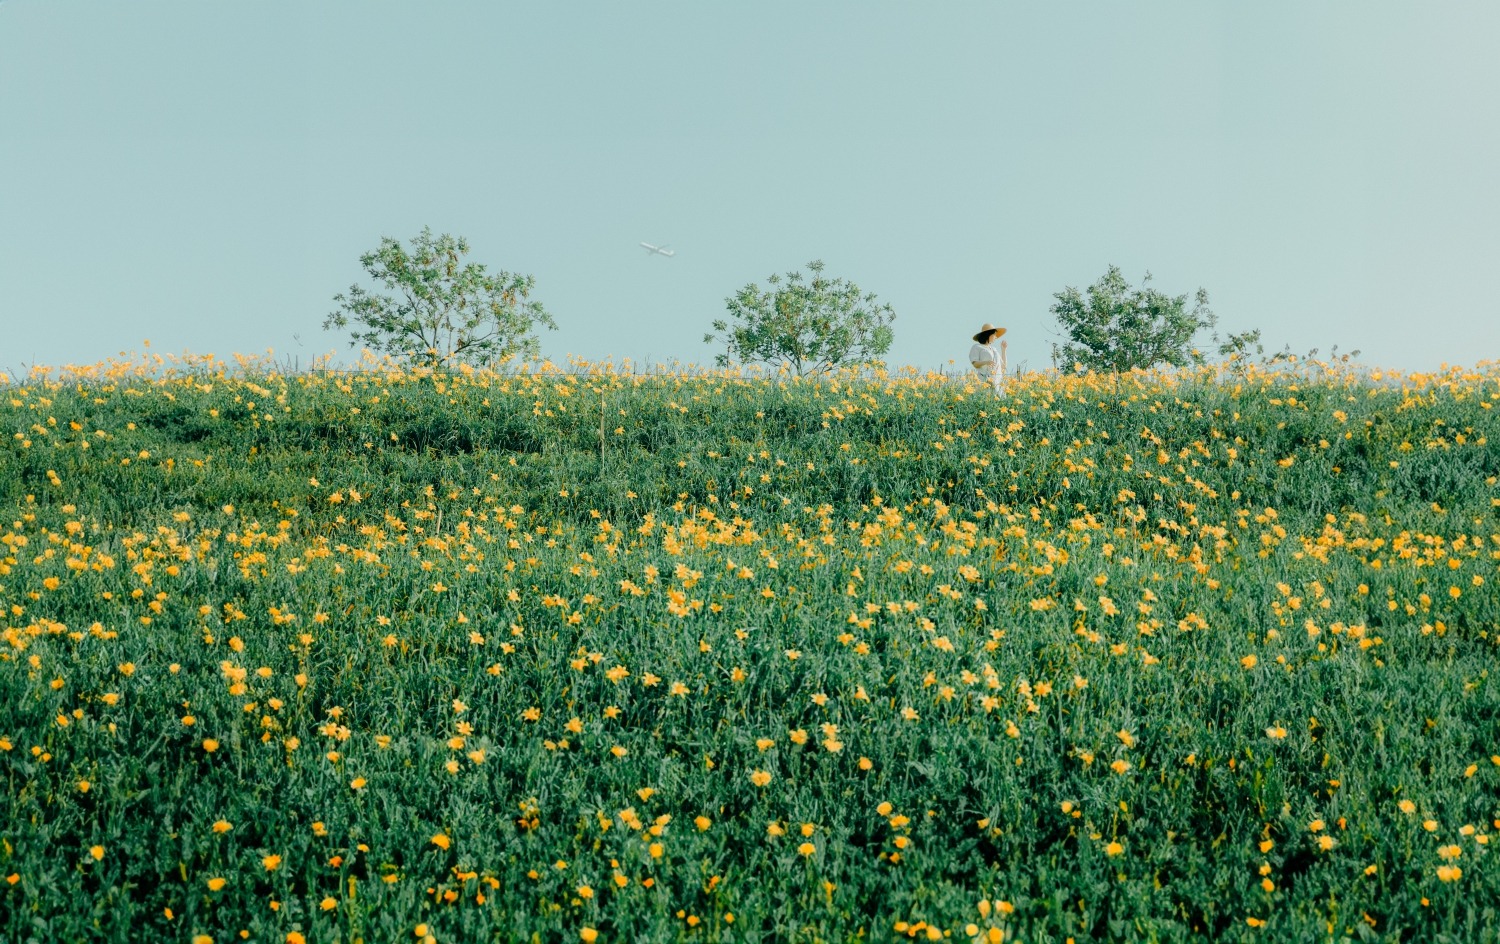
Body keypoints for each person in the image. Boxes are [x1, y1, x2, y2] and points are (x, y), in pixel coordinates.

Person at [969, 323, 1007, 396]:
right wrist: (986, 362)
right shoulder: (977, 347)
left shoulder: (994, 349)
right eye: (995, 335)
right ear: (989, 334)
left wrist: (1003, 350)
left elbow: (1003, 366)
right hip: (984, 381)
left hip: (997, 382)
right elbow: (975, 363)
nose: (996, 337)